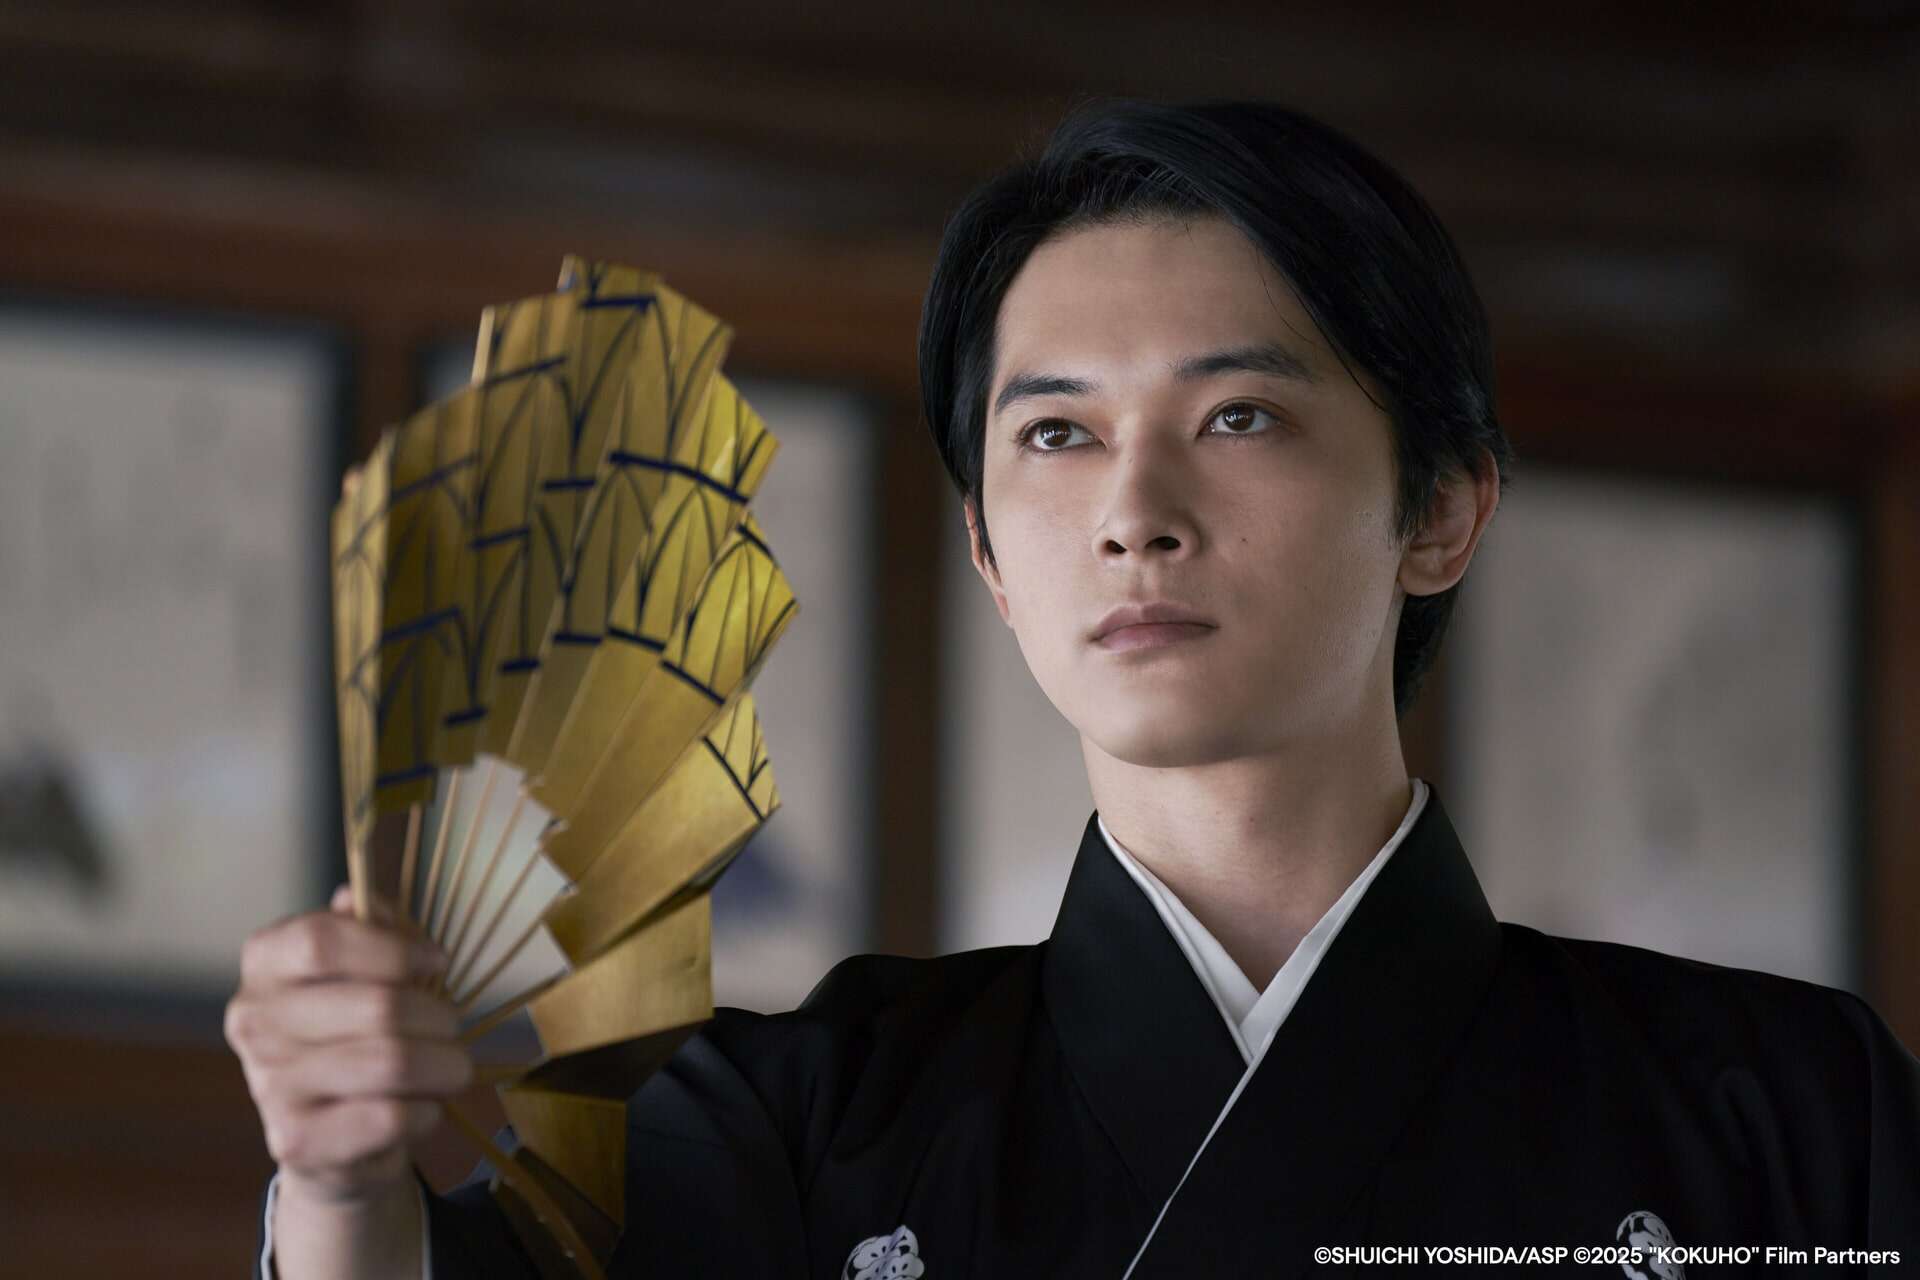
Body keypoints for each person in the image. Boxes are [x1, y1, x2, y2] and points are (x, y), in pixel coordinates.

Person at [230, 99, 1920, 1279]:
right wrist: (340, 1182)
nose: (1134, 513)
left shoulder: (1781, 1108)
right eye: (1056, 433)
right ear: (983, 546)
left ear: (1443, 507)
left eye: (1238, 416)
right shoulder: (796, 1122)